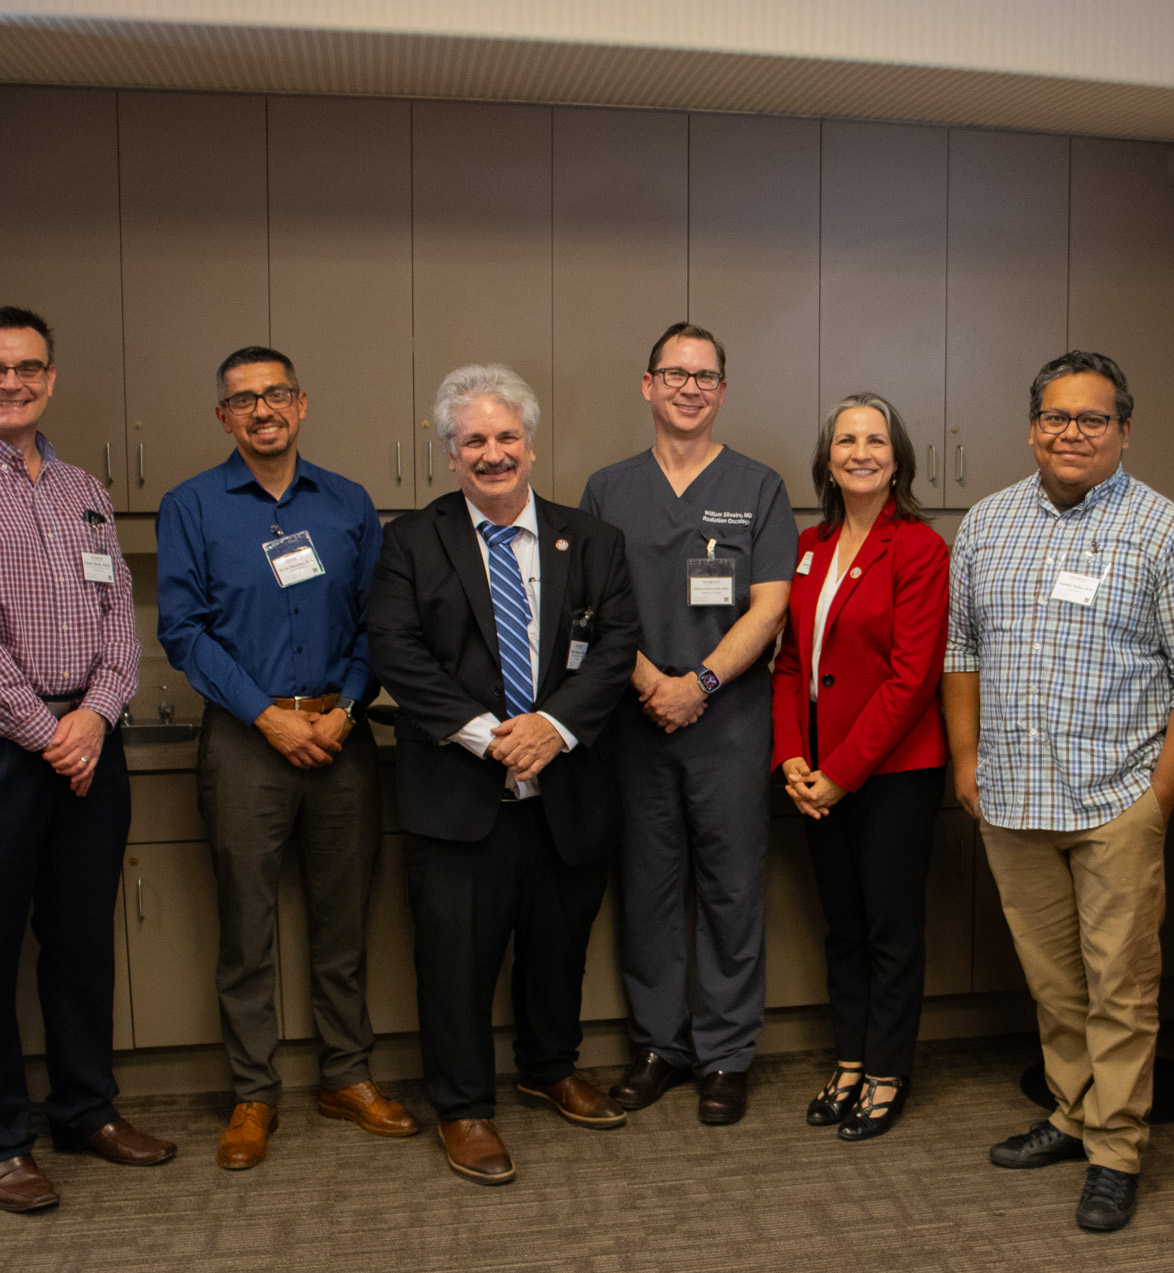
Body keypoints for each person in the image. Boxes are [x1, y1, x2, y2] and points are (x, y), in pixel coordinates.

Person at [0, 306, 175, 1212]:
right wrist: (47, 730)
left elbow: (117, 620)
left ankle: (86, 1109)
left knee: (83, 940)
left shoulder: (82, 487)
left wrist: (93, 714)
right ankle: (0, 1140)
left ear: (52, 377)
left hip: (90, 740)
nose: (12, 381)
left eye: (29, 367)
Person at [943, 350, 1174, 1232]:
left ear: (1123, 431)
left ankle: (1116, 1147)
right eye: (1057, 418)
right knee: (1054, 983)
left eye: (1093, 419)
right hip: (1014, 799)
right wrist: (966, 761)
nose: (1073, 433)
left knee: (1121, 986)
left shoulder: (1169, 534)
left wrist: (1159, 800)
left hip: (1116, 802)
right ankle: (1070, 1113)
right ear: (1033, 427)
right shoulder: (987, 525)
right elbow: (962, 651)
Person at [368, 363, 640, 1185]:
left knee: (558, 947)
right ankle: (464, 1107)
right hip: (458, 791)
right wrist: (494, 737)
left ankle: (550, 1065)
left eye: (506, 437)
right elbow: (397, 654)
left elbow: (618, 644)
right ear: (449, 455)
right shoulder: (410, 541)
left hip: (565, 786)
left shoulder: (591, 539)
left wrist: (552, 729)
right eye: (473, 440)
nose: (493, 453)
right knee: (455, 960)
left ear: (530, 442)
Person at [157, 346, 416, 1171]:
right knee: (247, 927)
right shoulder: (191, 505)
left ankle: (347, 1074)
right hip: (245, 741)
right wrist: (268, 717)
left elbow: (380, 623)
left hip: (341, 737)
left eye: (275, 395)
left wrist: (344, 709)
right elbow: (184, 631)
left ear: (302, 404)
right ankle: (253, 1091)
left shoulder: (348, 504)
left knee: (345, 920)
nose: (261, 410)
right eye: (243, 400)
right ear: (223, 416)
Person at [579, 323, 791, 1126]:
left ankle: (727, 1054)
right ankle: (659, 1047)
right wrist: (654, 684)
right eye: (675, 373)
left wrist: (698, 681)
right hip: (636, 722)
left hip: (729, 722)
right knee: (649, 890)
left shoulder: (758, 486)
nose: (690, 387)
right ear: (648, 384)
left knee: (733, 890)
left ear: (723, 390)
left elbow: (770, 603)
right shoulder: (609, 488)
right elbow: (594, 607)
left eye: (705, 376)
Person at [772, 394, 950, 1142]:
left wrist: (840, 773)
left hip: (894, 773)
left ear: (898, 457)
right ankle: (849, 1058)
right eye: (846, 440)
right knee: (841, 925)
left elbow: (911, 680)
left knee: (890, 927)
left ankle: (886, 1069)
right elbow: (788, 664)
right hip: (817, 773)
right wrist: (791, 758)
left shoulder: (919, 549)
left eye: (876, 439)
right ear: (828, 459)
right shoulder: (807, 545)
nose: (860, 452)